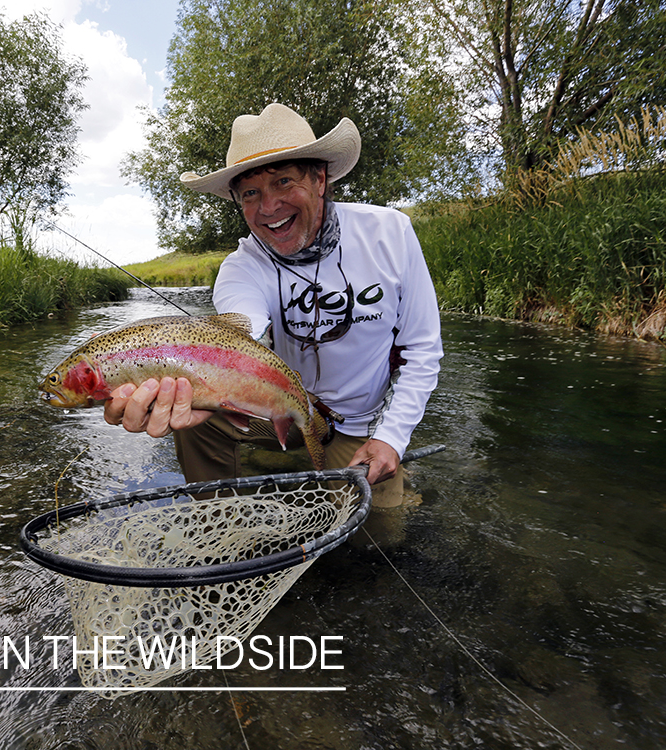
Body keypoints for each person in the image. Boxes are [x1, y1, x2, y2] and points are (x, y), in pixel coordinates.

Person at [105, 103, 442, 507]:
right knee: (196, 416)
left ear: (320, 178)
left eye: (283, 182)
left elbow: (422, 351)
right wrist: (152, 369)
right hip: (276, 406)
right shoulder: (242, 268)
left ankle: (391, 489)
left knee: (384, 536)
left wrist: (392, 437)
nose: (268, 207)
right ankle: (217, 524)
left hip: (362, 422)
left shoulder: (390, 234)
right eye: (250, 193)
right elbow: (242, 330)